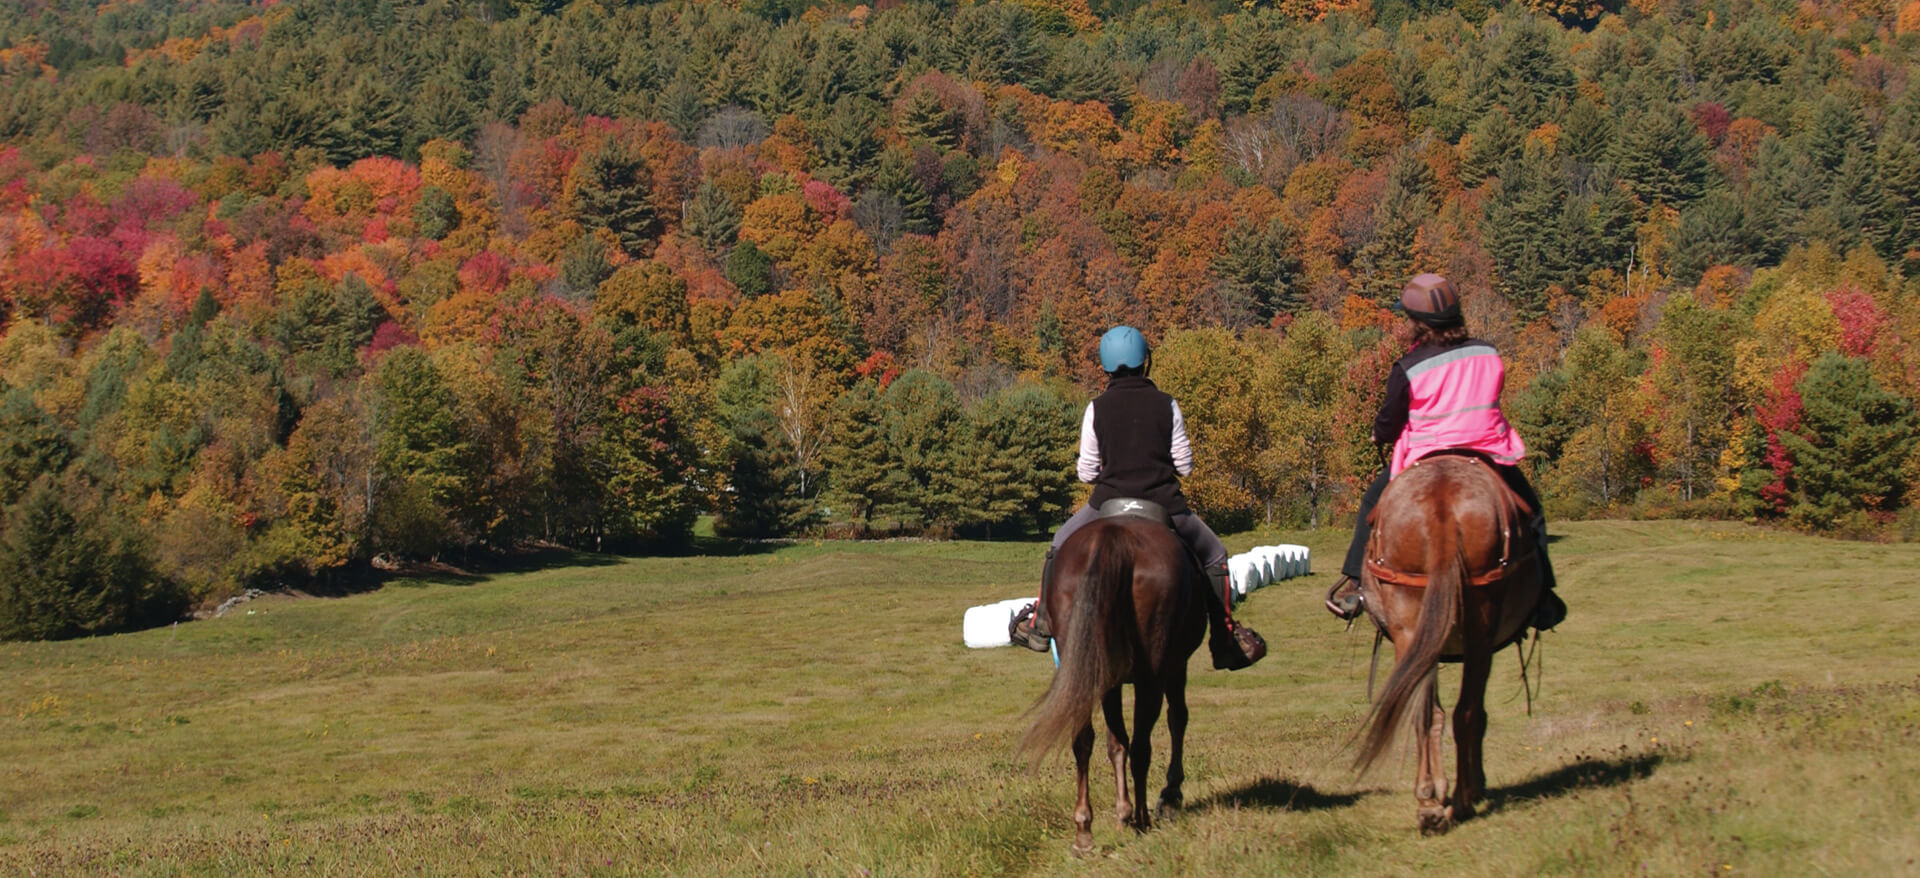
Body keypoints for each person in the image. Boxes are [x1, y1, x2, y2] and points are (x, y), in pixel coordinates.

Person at [1009, 326, 1267, 670]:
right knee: (1215, 555)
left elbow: (1085, 472)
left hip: (1107, 504)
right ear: (1146, 361)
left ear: (1105, 367)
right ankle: (1223, 639)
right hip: (1165, 506)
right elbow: (1185, 466)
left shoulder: (1095, 408)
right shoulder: (1167, 404)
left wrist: (1115, 476)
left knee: (1058, 544)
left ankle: (1040, 626)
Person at [1324, 273, 1567, 630]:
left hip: (1426, 455)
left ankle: (1355, 584)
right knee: (1531, 513)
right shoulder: (1488, 352)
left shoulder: (1408, 367)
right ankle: (1544, 594)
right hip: (1486, 454)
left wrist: (1379, 435)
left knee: (1371, 504)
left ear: (1418, 324)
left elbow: (1389, 423)